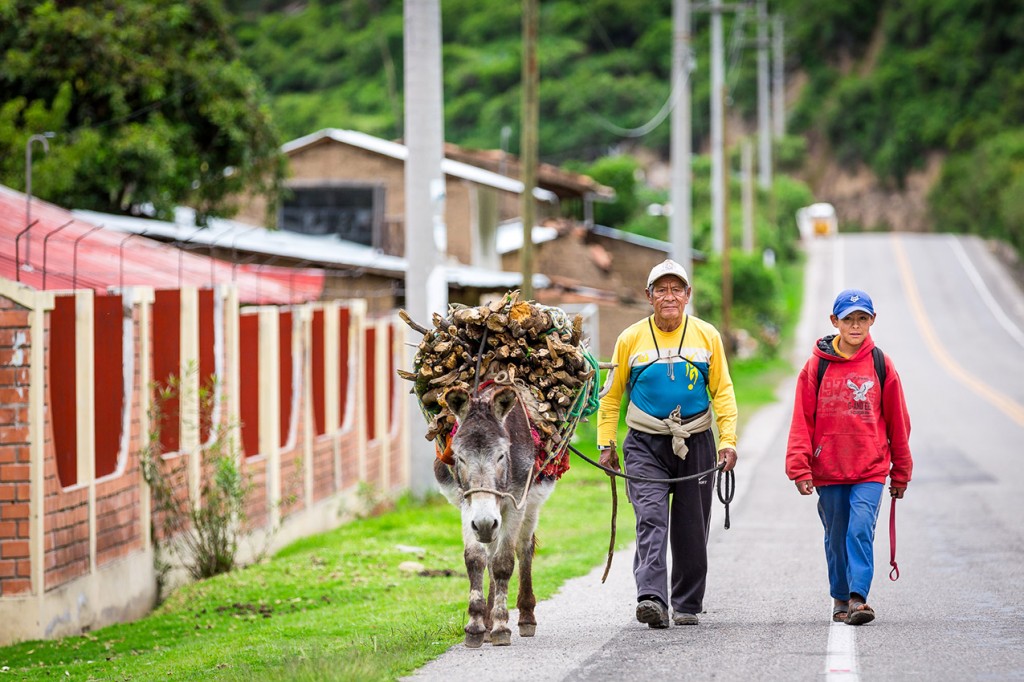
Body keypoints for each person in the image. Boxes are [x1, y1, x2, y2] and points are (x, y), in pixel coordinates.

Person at [597, 259, 738, 629]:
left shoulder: (707, 336)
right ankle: (651, 598)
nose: (669, 296)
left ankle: (687, 603)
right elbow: (611, 397)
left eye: (677, 289)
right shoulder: (630, 339)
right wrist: (606, 443)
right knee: (651, 518)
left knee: (692, 524)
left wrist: (728, 441)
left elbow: (722, 392)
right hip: (644, 443)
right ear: (649, 296)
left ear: (688, 295)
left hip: (696, 440)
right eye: (661, 289)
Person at [785, 288, 912, 626]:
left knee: (859, 528)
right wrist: (800, 467)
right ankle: (840, 596)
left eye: (863, 319)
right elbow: (801, 419)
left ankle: (858, 598)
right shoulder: (816, 367)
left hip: (870, 467)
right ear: (834, 321)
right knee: (835, 533)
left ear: (872, 321)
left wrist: (901, 472)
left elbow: (899, 423)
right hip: (828, 467)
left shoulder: (882, 364)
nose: (856, 326)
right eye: (848, 319)